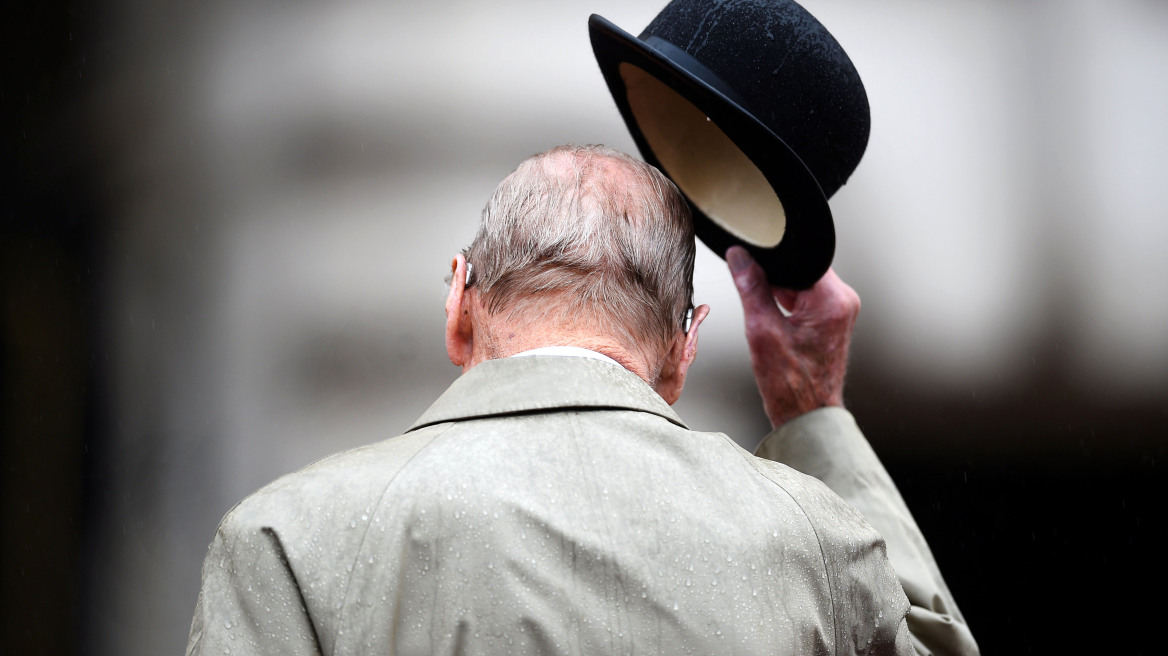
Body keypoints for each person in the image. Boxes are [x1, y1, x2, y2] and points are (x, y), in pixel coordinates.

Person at [186, 145, 978, 655]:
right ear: (685, 344)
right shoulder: (815, 544)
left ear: (460, 301)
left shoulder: (287, 542)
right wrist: (814, 414)